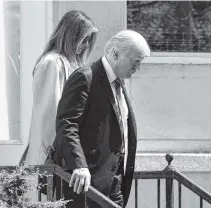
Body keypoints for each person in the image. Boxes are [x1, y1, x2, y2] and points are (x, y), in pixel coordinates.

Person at [52, 30, 150, 207]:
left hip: (114, 185)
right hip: (86, 186)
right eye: (135, 62)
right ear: (115, 54)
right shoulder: (85, 77)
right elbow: (67, 124)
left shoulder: (119, 83)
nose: (138, 68)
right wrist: (79, 165)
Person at [19, 10, 98, 166]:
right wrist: (63, 155)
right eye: (84, 39)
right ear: (70, 36)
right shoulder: (52, 63)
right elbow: (50, 114)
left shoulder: (73, 64)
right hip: (57, 158)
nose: (87, 44)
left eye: (89, 39)